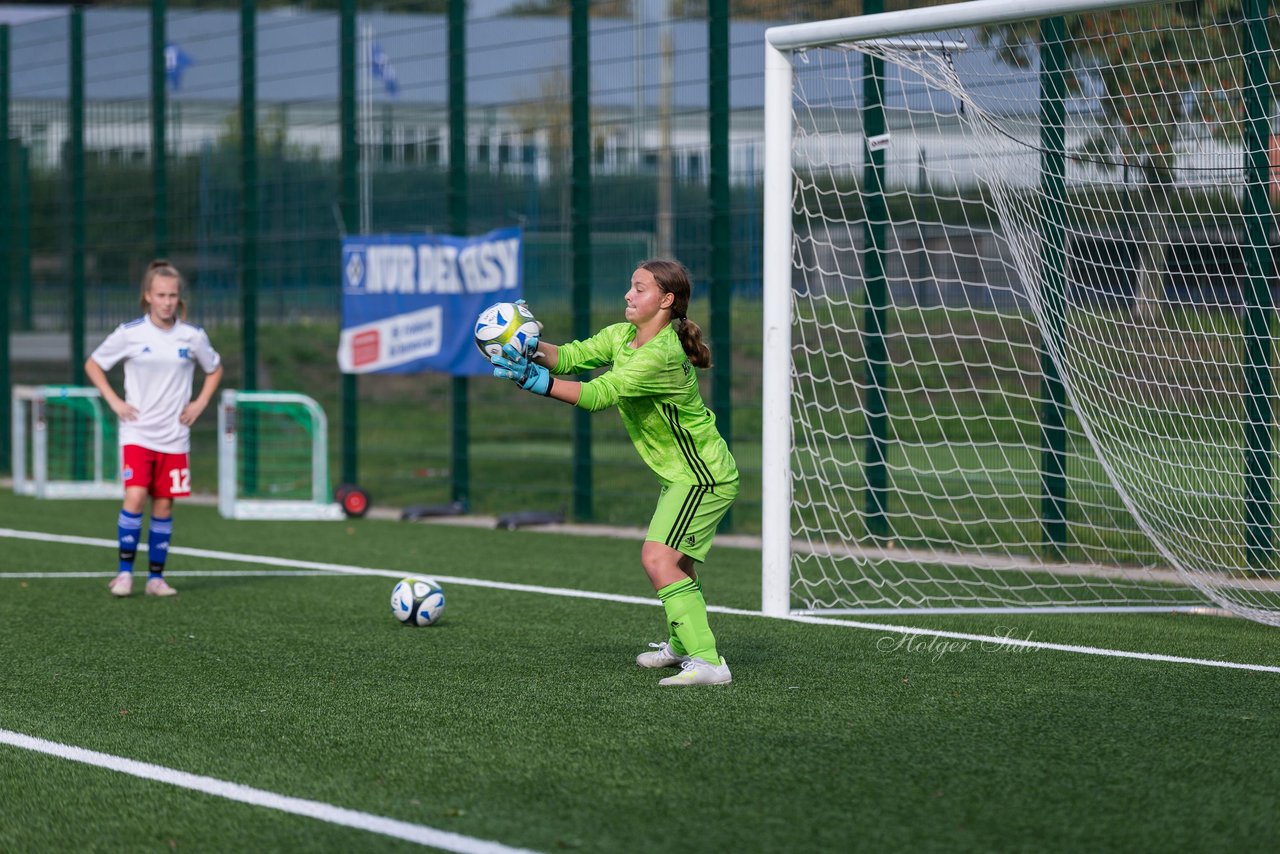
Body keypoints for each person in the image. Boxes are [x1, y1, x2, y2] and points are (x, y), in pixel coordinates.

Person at [490, 260, 739, 686]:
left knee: (657, 558)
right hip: (681, 474)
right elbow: (571, 356)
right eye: (630, 286)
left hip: (703, 474)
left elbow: (599, 393)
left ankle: (709, 663)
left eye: (639, 288)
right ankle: (684, 643)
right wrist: (524, 343)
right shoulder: (624, 335)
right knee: (676, 562)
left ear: (666, 300)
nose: (628, 294)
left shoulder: (661, 354)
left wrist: (537, 383)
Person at [85, 260, 223, 598]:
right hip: (138, 432)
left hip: (174, 435)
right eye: (160, 295)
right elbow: (93, 364)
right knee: (134, 496)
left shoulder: (192, 336)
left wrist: (200, 403)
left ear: (179, 298)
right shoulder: (130, 333)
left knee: (163, 505)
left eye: (172, 295)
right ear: (147, 296)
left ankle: (156, 578)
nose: (167, 301)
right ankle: (124, 574)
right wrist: (115, 401)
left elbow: (214, 369)